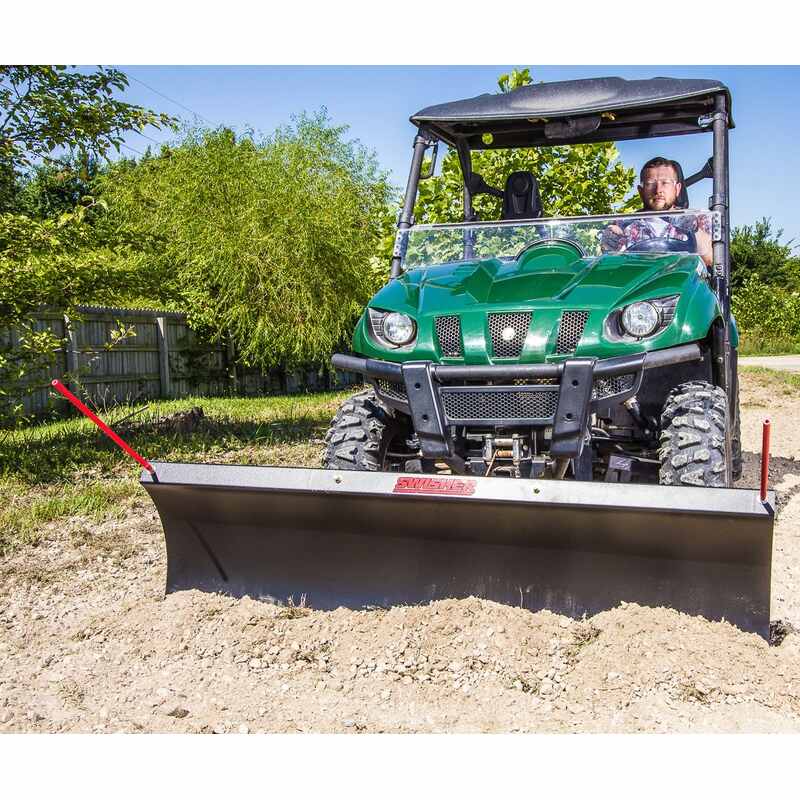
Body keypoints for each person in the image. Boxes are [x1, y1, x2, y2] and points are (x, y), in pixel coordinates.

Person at [601, 157, 713, 266]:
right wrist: (607, 244)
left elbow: (711, 259)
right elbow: (609, 264)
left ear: (677, 189)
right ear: (640, 191)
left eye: (665, 183)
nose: (658, 190)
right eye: (650, 183)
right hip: (640, 281)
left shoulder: (697, 219)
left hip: (682, 281)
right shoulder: (623, 224)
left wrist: (694, 230)